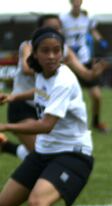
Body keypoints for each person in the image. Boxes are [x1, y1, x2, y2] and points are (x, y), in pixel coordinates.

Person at [0, 26, 96, 206]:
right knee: (2, 204)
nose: (52, 56)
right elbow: (40, 90)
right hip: (45, 153)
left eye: (57, 51)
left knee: (37, 202)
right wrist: (14, 98)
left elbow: (46, 125)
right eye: (46, 51)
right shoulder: (43, 74)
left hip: (73, 154)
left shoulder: (64, 79)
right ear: (36, 54)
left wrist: (6, 125)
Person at [2, 14, 105, 161]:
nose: (55, 30)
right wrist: (50, 65)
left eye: (58, 28)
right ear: (39, 30)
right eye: (50, 27)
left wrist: (94, 73)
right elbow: (26, 68)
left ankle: (6, 146)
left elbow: (85, 75)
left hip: (48, 105)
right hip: (23, 106)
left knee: (41, 155)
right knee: (39, 156)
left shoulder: (62, 50)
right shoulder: (28, 46)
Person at [60, 0, 110, 133]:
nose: (77, 3)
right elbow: (59, 34)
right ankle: (65, 126)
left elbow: (93, 31)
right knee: (67, 96)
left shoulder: (87, 18)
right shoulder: (63, 18)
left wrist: (101, 40)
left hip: (85, 60)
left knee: (97, 96)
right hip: (70, 61)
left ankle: (96, 122)